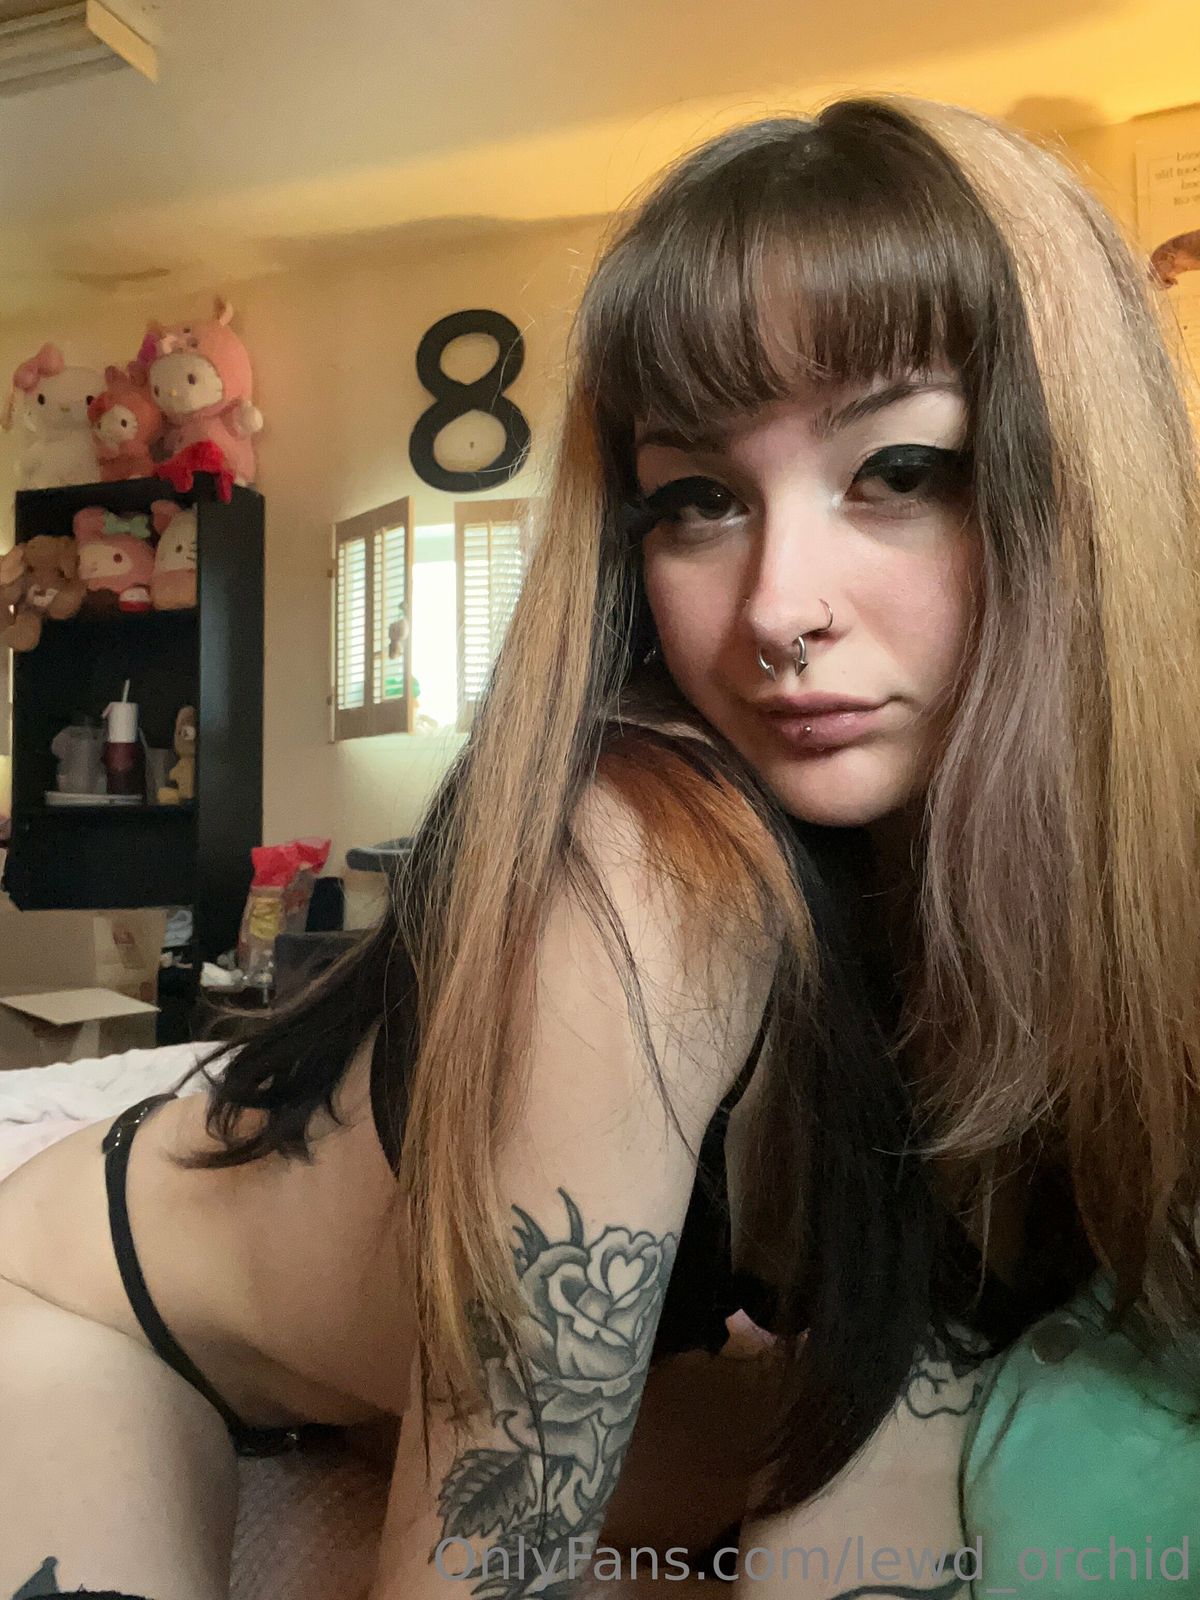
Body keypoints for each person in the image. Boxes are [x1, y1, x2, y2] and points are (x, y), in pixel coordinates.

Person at [2, 92, 1199, 1600]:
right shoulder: (638, 877)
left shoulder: (1084, 880)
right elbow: (476, 1572)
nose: (779, 609)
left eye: (897, 472)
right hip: (80, 1306)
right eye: (696, 499)